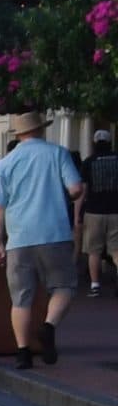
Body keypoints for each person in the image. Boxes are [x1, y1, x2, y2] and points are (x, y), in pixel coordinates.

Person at [0, 109, 84, 368]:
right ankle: (49, 326)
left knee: (20, 298)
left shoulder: (5, 163)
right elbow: (75, 188)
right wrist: (74, 196)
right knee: (63, 287)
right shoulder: (57, 153)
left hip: (19, 236)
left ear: (18, 134)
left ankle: (22, 352)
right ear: (41, 129)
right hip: (54, 233)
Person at [76, 127, 118, 298]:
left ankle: (95, 285)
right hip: (116, 211)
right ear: (110, 143)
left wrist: (77, 214)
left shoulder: (88, 162)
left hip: (93, 212)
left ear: (94, 143)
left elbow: (82, 191)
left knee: (94, 250)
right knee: (116, 250)